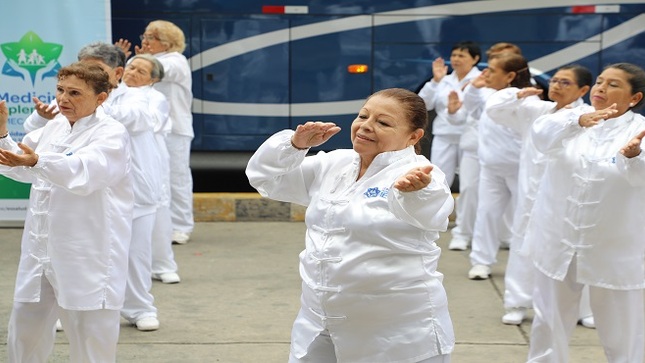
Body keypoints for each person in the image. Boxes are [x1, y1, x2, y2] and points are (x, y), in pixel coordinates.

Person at [246, 88, 455, 363]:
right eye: (363, 116)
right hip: (320, 322)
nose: (366, 126)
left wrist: (416, 192)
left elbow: (433, 211)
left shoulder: (421, 174)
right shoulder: (335, 162)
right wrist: (294, 146)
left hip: (397, 333)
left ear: (413, 136)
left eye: (383, 123)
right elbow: (266, 179)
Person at [23, 42, 163, 331]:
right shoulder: (73, 102)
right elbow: (34, 128)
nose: (85, 74)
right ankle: (67, 306)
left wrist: (91, 99)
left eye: (95, 70)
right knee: (78, 256)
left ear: (116, 73)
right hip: (90, 193)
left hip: (135, 188)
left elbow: (136, 118)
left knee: (134, 255)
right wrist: (45, 114)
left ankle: (140, 308)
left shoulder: (136, 97)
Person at [0, 62, 133, 362]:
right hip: (40, 251)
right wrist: (2, 134)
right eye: (60, 90)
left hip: (86, 253)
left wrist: (37, 163)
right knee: (24, 328)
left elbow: (85, 172)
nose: (62, 99)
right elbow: (21, 163)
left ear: (101, 98)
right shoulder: (55, 126)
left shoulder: (111, 133)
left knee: (89, 335)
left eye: (74, 93)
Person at [525, 63, 645, 362]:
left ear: (635, 98)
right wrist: (577, 121)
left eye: (614, 85)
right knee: (548, 323)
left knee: (623, 331)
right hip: (559, 240)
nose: (601, 88)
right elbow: (540, 136)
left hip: (615, 246)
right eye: (600, 81)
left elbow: (639, 177)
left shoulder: (639, 131)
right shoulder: (569, 118)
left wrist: (633, 157)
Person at [484, 65, 595, 327]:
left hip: (568, 199)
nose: (556, 85)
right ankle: (518, 302)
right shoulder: (537, 110)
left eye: (565, 82)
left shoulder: (590, 115)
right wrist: (518, 95)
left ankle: (583, 309)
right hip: (531, 197)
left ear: (583, 90)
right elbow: (494, 109)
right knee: (524, 247)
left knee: (575, 251)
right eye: (554, 80)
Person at [117, 20, 195, 245]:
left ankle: (181, 226)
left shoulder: (176, 61)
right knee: (151, 177)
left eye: (152, 37)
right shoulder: (143, 61)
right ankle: (157, 226)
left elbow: (157, 71)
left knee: (176, 178)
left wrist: (133, 59)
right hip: (147, 130)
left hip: (175, 130)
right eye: (145, 36)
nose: (145, 41)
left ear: (168, 43)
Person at [443, 43, 521, 251]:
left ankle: (505, 235)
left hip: (510, 155)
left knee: (510, 198)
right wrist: (452, 112)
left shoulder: (524, 90)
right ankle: (463, 233)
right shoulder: (478, 86)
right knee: (469, 191)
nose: (491, 69)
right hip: (475, 150)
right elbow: (461, 117)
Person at [466, 53, 530, 280]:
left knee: (524, 217)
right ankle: (481, 261)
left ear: (510, 76)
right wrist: (474, 88)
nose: (486, 74)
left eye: (492, 70)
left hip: (520, 169)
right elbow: (472, 108)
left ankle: (526, 265)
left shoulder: (527, 100)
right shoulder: (490, 95)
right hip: (491, 168)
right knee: (487, 213)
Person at [122, 53, 181, 284]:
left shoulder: (155, 98)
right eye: (131, 66)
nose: (133, 73)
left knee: (156, 210)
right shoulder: (113, 93)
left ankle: (162, 264)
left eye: (141, 71)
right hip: (118, 159)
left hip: (148, 159)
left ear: (152, 79)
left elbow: (148, 122)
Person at [418, 41, 482, 188]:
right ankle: (439, 211)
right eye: (453, 55)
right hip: (444, 135)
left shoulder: (481, 80)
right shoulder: (443, 80)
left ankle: (470, 212)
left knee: (470, 184)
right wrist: (435, 81)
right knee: (438, 180)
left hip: (470, 135)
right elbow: (423, 104)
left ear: (475, 58)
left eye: (461, 55)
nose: (456, 59)